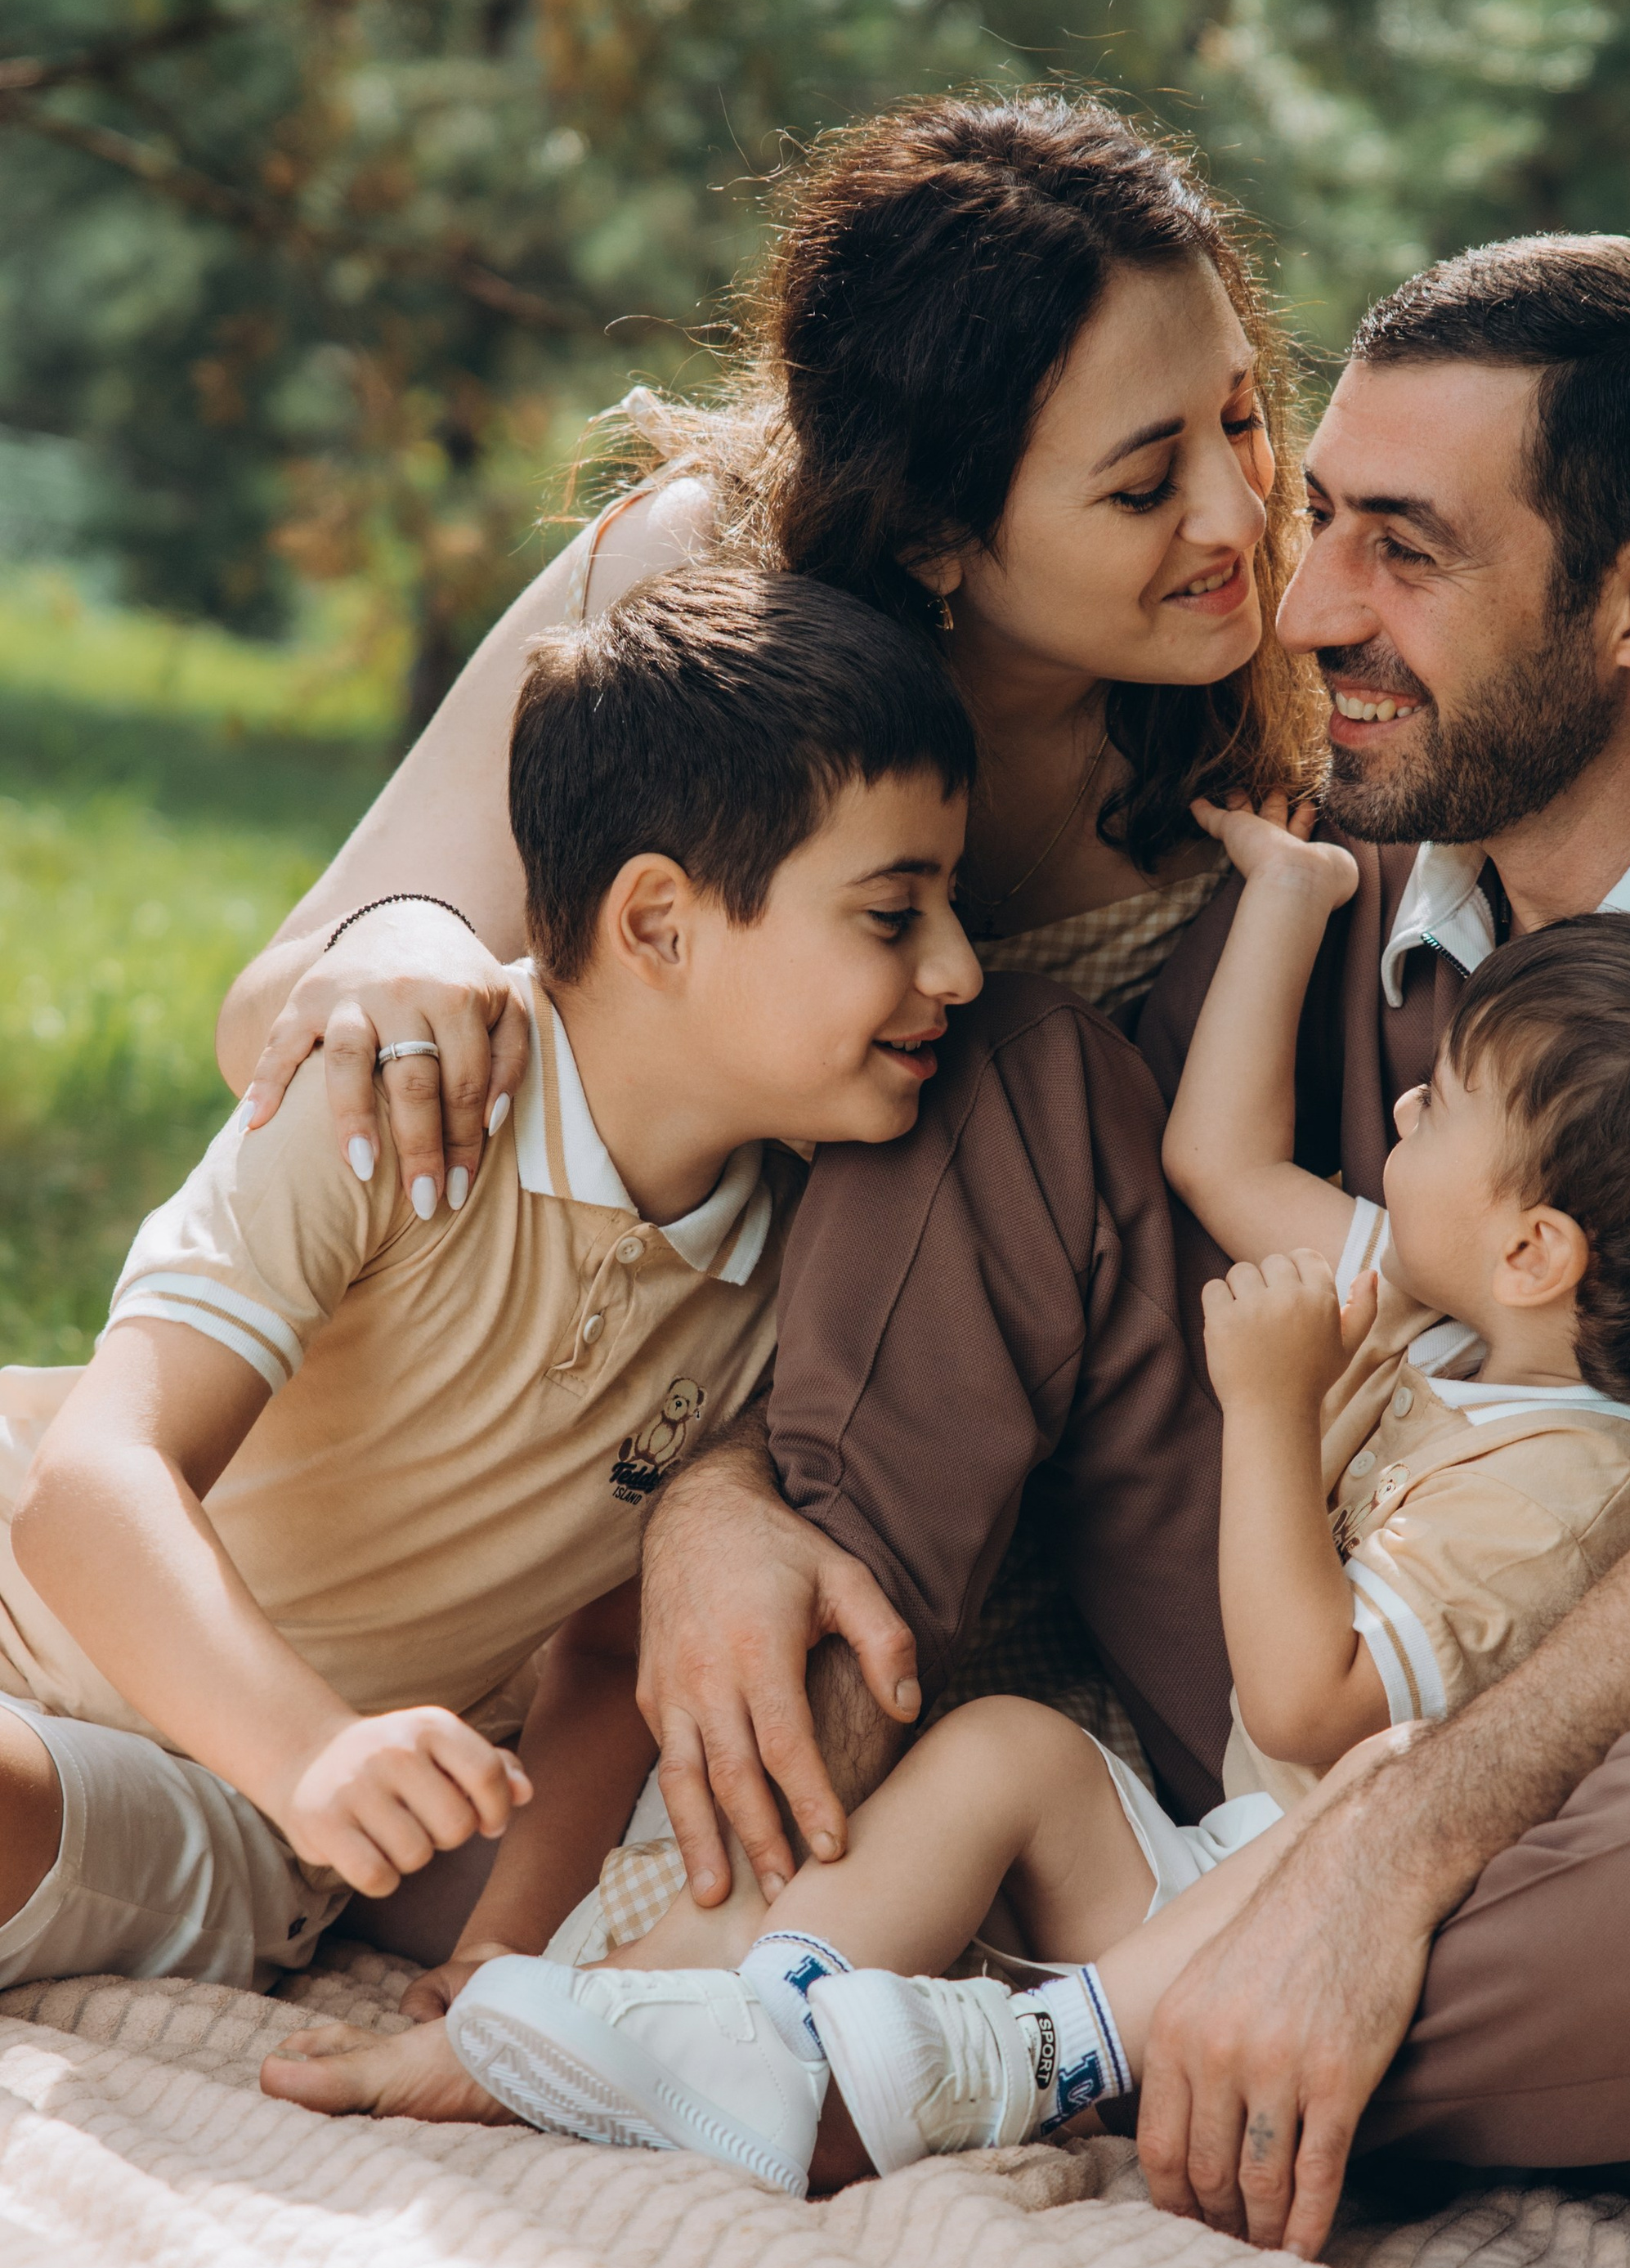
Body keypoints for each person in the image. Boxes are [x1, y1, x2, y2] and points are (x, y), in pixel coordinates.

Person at [227, 182, 1630, 2268]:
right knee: (1000, 1063)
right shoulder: (1353, 878)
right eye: (1332, 516)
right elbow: (1008, 1246)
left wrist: (1383, 1857)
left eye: (1404, 548)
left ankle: (1001, 2040)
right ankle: (727, 1932)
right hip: (1313, 1707)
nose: (1303, 608)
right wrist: (731, 1498)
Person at [271, 867, 1630, 2190]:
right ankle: (703, 2011)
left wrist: (1271, 1415)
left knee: (1348, 1771)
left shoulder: (1567, 1494)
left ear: (1535, 1244)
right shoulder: (1454, 1317)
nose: (1407, 1101)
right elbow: (1211, 1159)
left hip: (1298, 1929)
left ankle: (1018, 2053)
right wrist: (1288, 899)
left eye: (1454, 1102)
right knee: (1008, 1746)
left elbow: (1301, 1709)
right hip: (1216, 1859)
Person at [216, 93, 1323, 1862]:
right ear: (931, 537)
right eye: (1141, 481)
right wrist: (412, 951)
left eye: (1245, 419)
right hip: (558, 1436)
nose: (1235, 514)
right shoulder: (700, 586)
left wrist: (735, 1496)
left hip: (961, 1502)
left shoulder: (1276, 731)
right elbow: (289, 1000)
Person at [0, 572, 978, 1995]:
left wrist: (499, 1955)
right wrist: (313, 1745)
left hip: (232, 1800)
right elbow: (93, 1477)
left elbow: (602, 1655)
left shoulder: (793, 1271)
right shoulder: (393, 1092)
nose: (955, 966)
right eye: (894, 916)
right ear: (658, 925)